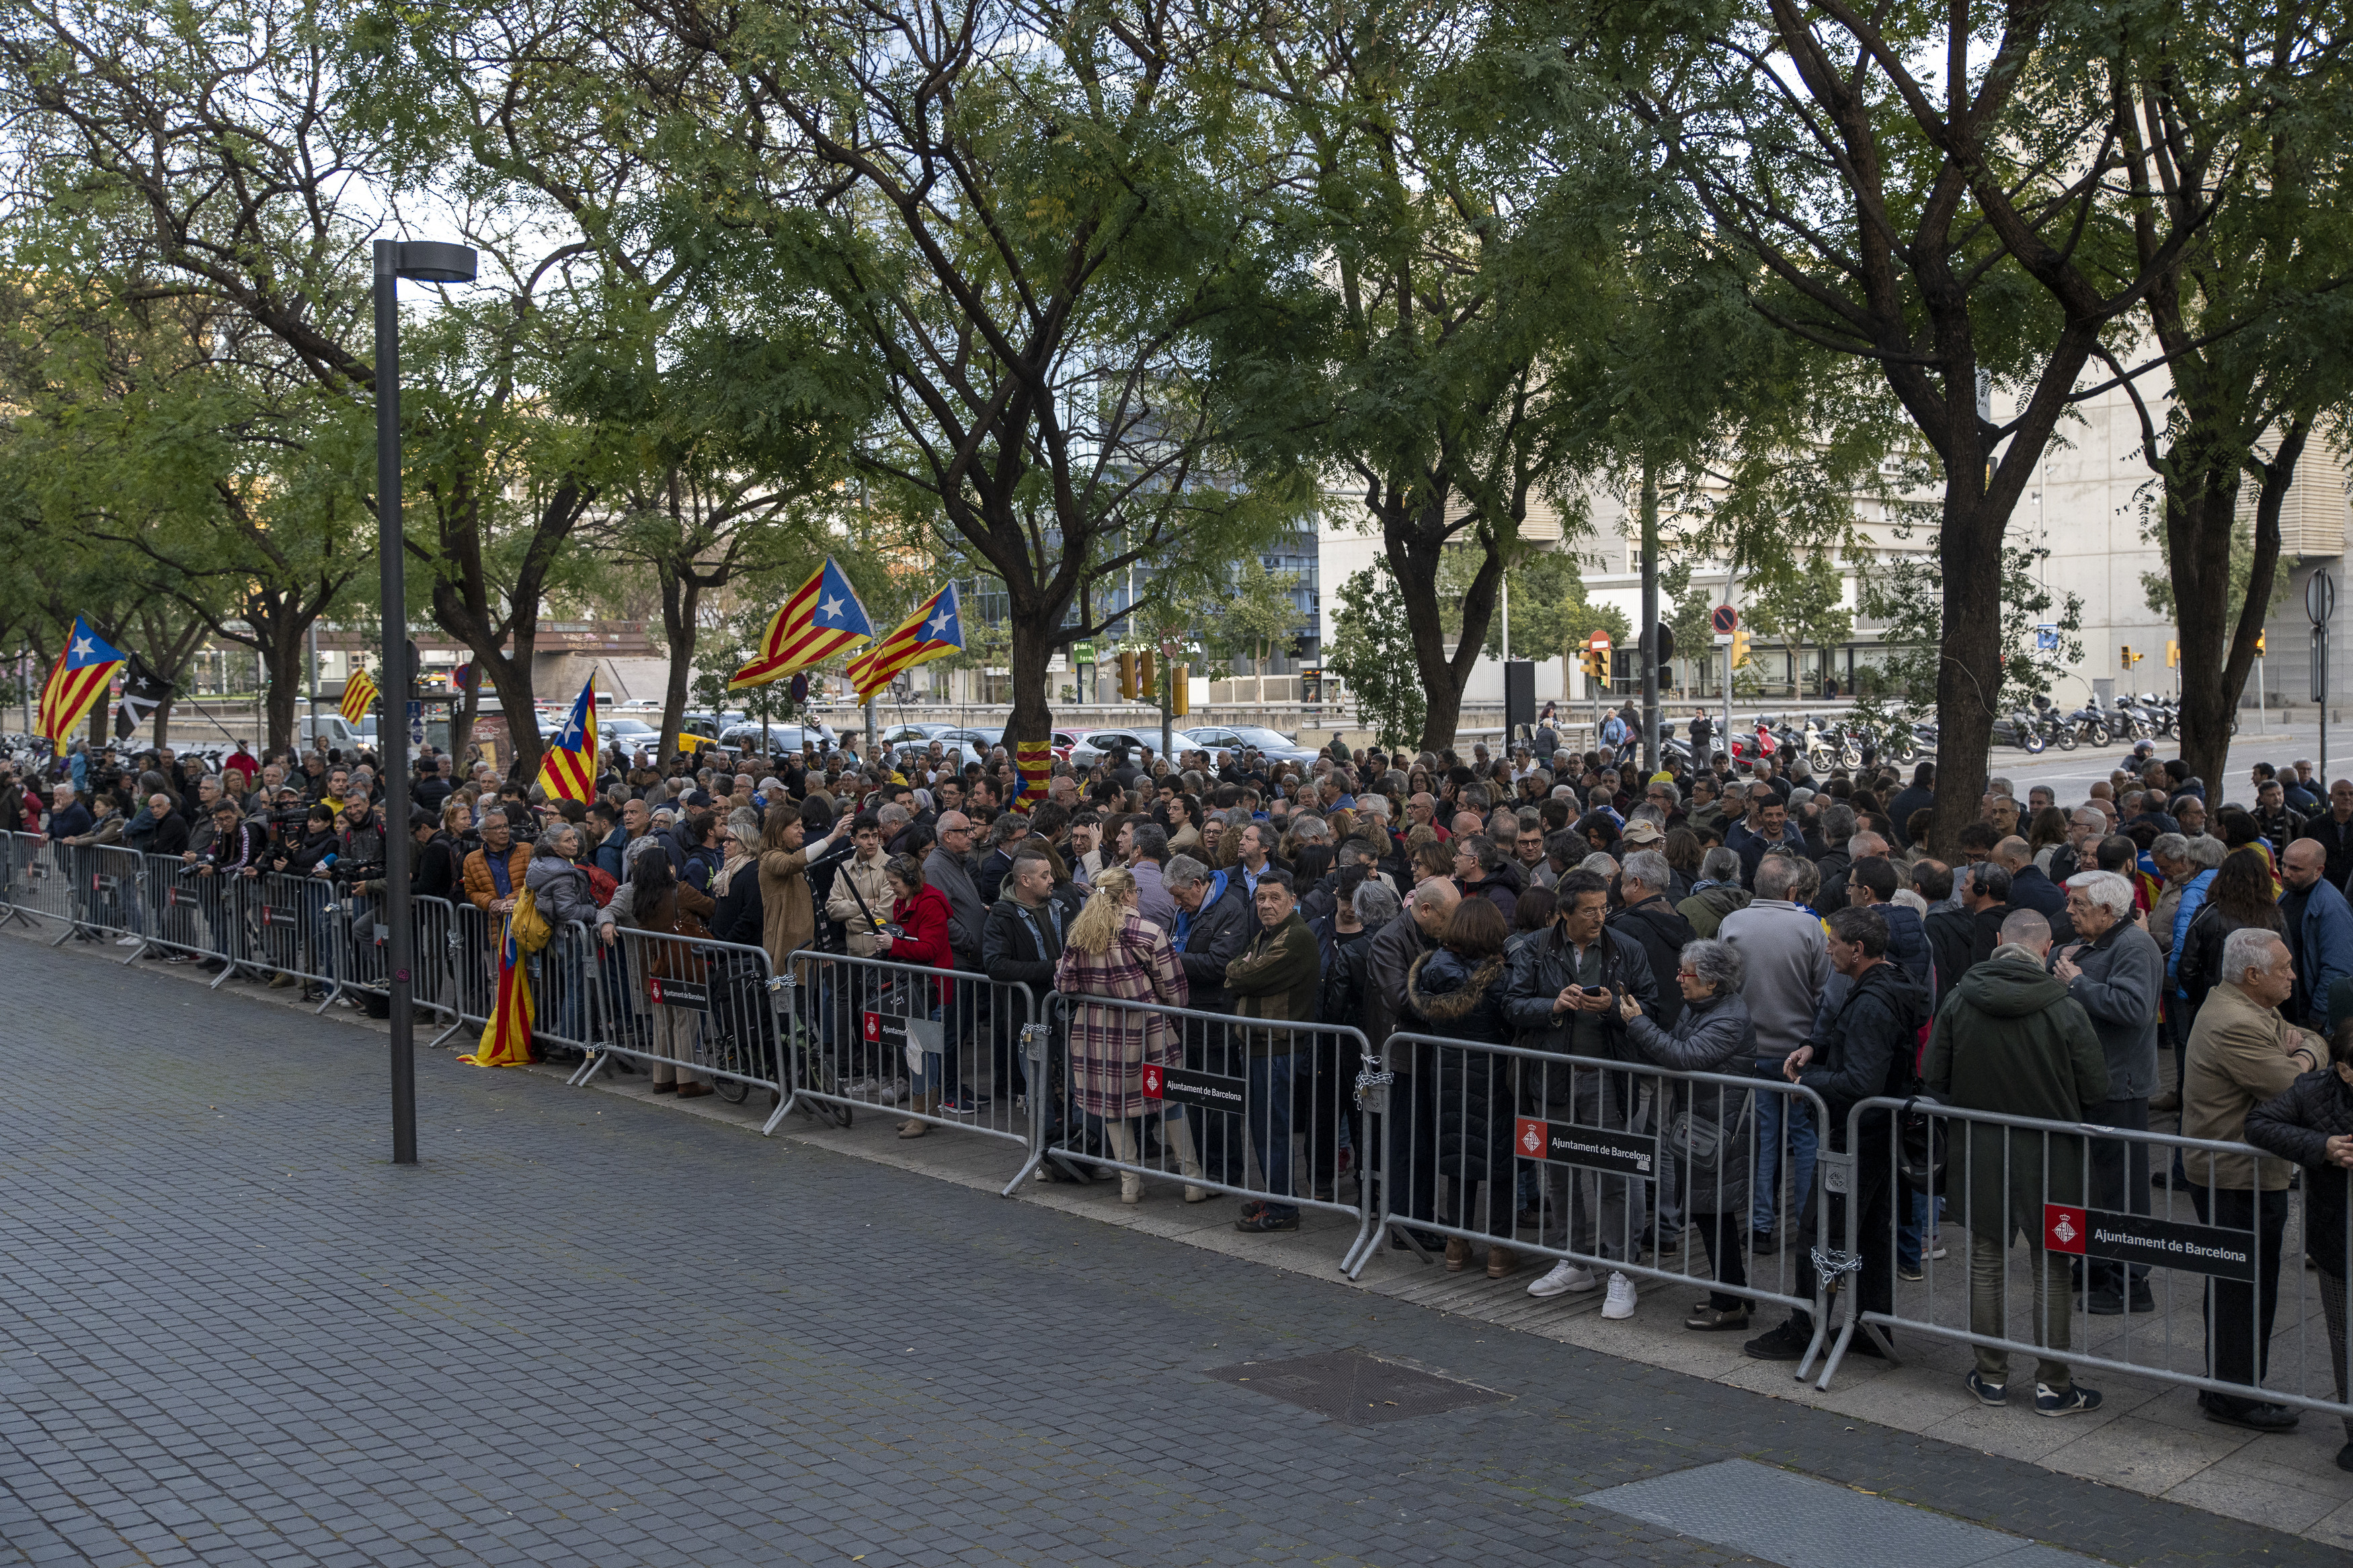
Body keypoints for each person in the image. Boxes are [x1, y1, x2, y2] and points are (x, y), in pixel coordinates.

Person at [1925, 909, 2110, 1415]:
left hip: (1980, 1151)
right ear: (2047, 947)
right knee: (2053, 1267)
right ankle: (2054, 1384)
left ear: (1999, 942)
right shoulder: (2066, 1007)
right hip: (2057, 1158)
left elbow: (1933, 1073)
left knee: (1986, 1262)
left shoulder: (1961, 998)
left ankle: (1990, 1376)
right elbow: (2097, 1087)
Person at [1745, 907, 1927, 1362]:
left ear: (1858, 949)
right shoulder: (1883, 984)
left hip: (1856, 1136)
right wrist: (1816, 1048)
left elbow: (1862, 1079)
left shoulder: (1872, 999)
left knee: (1820, 1228)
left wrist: (1808, 1084)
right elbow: (1860, 1051)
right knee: (1867, 1232)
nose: (1827, 949)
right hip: (1869, 1133)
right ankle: (1870, 1322)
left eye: (1833, 942)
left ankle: (1808, 1325)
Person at [2183, 927, 2324, 1434]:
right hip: (2236, 1176)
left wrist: (2304, 1047)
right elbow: (2300, 1086)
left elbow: (2310, 1038)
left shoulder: (2250, 1005)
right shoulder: (2236, 1021)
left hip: (2244, 1173)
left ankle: (2232, 1382)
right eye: (2284, 967)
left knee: (2243, 1282)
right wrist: (2305, 1057)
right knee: (2243, 1286)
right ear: (2252, 974)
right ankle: (2235, 1393)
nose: (2292, 974)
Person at [1507, 869, 1660, 1314]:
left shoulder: (1625, 948)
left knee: (1614, 1172)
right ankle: (1574, 1259)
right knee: (1559, 1170)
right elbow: (1512, 1003)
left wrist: (1616, 1008)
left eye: (1604, 907)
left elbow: (1651, 1003)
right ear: (1565, 912)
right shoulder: (1536, 948)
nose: (1600, 917)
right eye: (1590, 910)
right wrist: (1552, 1006)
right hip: (1552, 1074)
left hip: (1608, 1076)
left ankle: (1621, 1268)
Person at [1616, 937, 1759, 1330]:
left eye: (1686, 973)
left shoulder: (1728, 1017)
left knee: (1714, 1213)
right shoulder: (1702, 1006)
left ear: (1712, 982)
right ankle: (1733, 1294)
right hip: (1702, 1124)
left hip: (1719, 1130)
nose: (1678, 978)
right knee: (1709, 1212)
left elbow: (1684, 1056)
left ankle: (1731, 1302)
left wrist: (1638, 1023)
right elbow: (1678, 1047)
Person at [1050, 864, 1205, 1202]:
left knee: (1112, 1105)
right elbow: (1176, 991)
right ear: (1129, 894)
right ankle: (1193, 1180)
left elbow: (1063, 984)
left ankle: (1129, 1184)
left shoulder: (1081, 933)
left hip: (1097, 1031)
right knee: (1169, 1097)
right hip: (1147, 1029)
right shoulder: (1148, 931)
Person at [2243, 1018, 2353, 1473]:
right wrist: (2321, 1145)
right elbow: (2259, 1124)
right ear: (2345, 1071)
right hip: (2337, 1237)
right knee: (2345, 1338)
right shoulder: (2314, 1089)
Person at [2052, 869, 2163, 1315]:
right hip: (2096, 1082)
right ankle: (2098, 1263)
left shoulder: (2134, 945)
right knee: (2095, 1184)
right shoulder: (2102, 942)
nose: (2069, 911)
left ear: (2106, 909)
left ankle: (2130, 1281)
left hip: (2121, 1086)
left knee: (2122, 1188)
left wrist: (2077, 981)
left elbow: (2134, 1008)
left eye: (2078, 904)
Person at [1719, 854, 1830, 1251]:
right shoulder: (1810, 927)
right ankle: (1805, 1227)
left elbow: (1723, 986)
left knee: (1764, 1139)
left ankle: (1761, 1226)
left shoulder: (1732, 924)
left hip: (1750, 1049)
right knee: (1803, 1139)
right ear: (1792, 890)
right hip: (1798, 1052)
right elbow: (1823, 991)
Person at [1403, 898, 1518, 1276]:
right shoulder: (1500, 977)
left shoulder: (1432, 969)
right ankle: (1500, 1249)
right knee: (1501, 1160)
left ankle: (1456, 1243)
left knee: (1458, 1159)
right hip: (1494, 1075)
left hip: (1448, 1073)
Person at [1221, 869, 1322, 1234]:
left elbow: (1245, 976)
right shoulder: (1267, 934)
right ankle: (1277, 1193)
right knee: (1262, 1129)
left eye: (1274, 898)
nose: (1266, 905)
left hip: (1278, 1049)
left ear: (1291, 900)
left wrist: (1243, 971)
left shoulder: (1296, 937)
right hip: (1258, 1045)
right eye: (1261, 899)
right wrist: (1242, 970)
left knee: (1273, 1131)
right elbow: (1234, 969)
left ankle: (1283, 1207)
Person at [600, 844, 715, 1098]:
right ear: (668, 867)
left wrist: (606, 924)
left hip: (653, 965)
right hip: (681, 964)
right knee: (685, 1021)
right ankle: (687, 1081)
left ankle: (662, 1079)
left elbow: (611, 910)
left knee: (663, 1021)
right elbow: (709, 906)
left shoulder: (639, 895)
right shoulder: (680, 890)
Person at [875, 852, 956, 1137]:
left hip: (932, 988)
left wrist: (893, 945)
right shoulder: (903, 901)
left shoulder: (931, 905)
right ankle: (925, 1111)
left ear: (911, 880)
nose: (892, 888)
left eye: (894, 882)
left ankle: (923, 1113)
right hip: (916, 987)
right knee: (918, 1051)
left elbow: (929, 949)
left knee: (922, 1052)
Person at [2278, 837, 2353, 1034]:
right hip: (2288, 1006)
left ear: (2318, 870)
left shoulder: (2331, 907)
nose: (2285, 873)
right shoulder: (2289, 893)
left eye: (2295, 869)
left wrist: (2318, 1015)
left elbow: (2337, 968)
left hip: (2308, 1014)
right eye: (2284, 865)